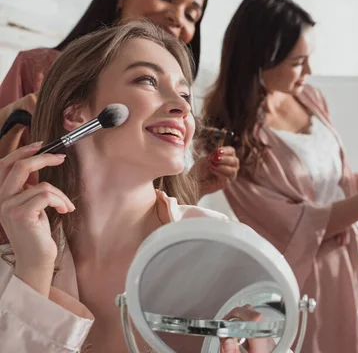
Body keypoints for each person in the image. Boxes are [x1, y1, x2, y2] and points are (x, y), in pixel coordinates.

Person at [0, 21, 267, 353]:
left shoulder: (228, 250)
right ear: (76, 114)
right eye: (147, 80)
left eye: (185, 94)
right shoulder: (16, 265)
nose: (183, 107)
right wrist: (35, 274)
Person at [202, 0, 358, 353]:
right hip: (311, 280)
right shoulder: (235, 136)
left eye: (308, 58)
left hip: (357, 262)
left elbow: (338, 184)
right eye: (296, 62)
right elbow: (302, 225)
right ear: (259, 59)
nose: (309, 71)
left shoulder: (310, 98)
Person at [0, 0, 238, 195]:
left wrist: (193, 185)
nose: (177, 17)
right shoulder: (36, 68)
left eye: (191, 15)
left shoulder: (174, 114)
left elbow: (140, 214)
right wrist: (8, 121)